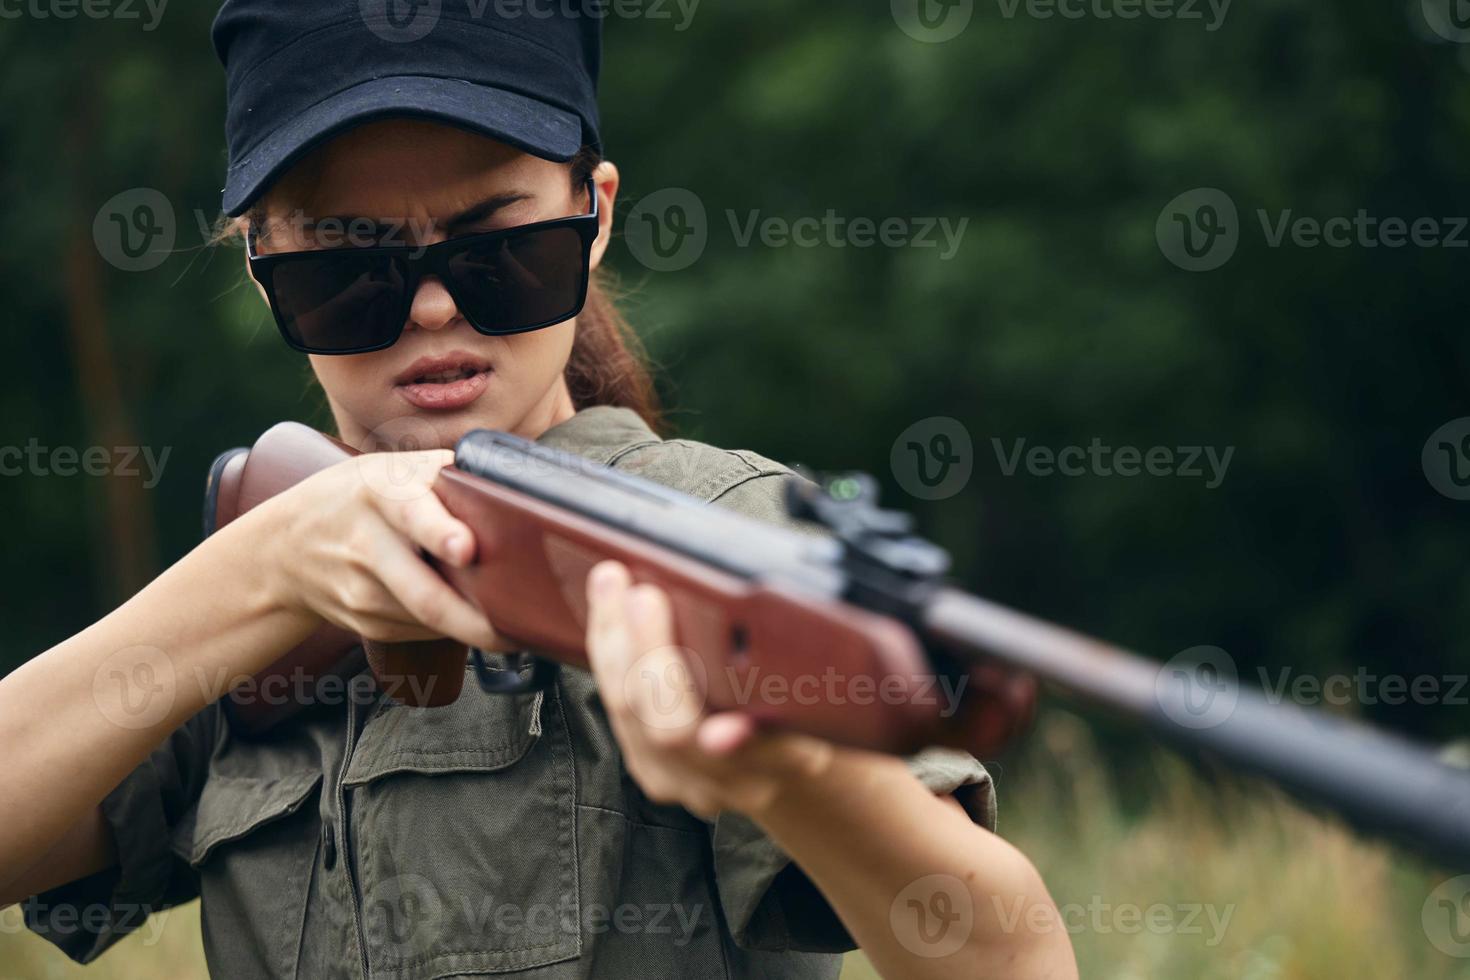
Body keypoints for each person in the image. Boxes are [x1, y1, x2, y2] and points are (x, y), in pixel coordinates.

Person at [0, 2, 1076, 977]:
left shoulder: (724, 531)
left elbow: (1008, 958)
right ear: (260, 262)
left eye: (497, 250)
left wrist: (796, 782)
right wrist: (264, 568)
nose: (429, 309)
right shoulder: (261, 591)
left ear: (594, 212)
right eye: (348, 267)